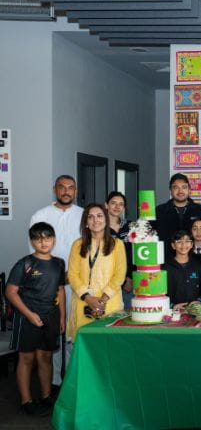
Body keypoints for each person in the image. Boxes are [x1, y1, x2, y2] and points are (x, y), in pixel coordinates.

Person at [5, 223, 65, 415]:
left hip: (51, 317)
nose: (43, 242)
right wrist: (29, 315)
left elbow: (60, 290)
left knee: (46, 357)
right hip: (27, 317)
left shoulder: (59, 263)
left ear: (53, 239)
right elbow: (10, 292)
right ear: (32, 242)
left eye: (47, 237)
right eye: (38, 238)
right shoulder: (25, 264)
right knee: (27, 359)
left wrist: (62, 317)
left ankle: (46, 396)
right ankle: (26, 400)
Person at [29, 175, 83, 386]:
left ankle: (70, 380)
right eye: (62, 187)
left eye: (70, 187)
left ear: (76, 191)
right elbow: (33, 251)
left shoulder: (83, 215)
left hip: (76, 283)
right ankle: (53, 382)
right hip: (48, 285)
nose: (66, 191)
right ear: (55, 189)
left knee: (72, 329)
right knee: (52, 332)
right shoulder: (40, 215)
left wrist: (74, 275)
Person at [66, 204, 126, 340]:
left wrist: (103, 300)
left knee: (109, 347)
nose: (95, 220)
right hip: (83, 304)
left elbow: (120, 275)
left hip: (110, 304)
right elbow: (72, 274)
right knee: (85, 348)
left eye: (99, 216)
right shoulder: (77, 245)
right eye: (90, 217)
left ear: (106, 220)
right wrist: (88, 298)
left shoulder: (117, 244)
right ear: (86, 223)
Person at [155, 173, 201, 259]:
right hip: (166, 260)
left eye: (184, 187)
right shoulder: (159, 211)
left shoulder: (200, 210)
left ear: (189, 190)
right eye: (176, 187)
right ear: (170, 190)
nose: (180, 191)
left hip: (195, 259)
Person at [162, 230, 201, 307]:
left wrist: (199, 301)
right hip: (172, 312)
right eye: (179, 242)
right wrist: (172, 306)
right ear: (173, 245)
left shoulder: (199, 265)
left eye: (187, 241)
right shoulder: (165, 267)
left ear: (191, 244)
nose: (183, 245)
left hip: (195, 311)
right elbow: (161, 293)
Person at [105, 191, 133, 309]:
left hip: (128, 280)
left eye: (121, 204)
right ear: (106, 205)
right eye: (113, 203)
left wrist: (130, 277)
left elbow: (134, 253)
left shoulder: (131, 226)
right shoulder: (100, 227)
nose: (117, 207)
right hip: (107, 279)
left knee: (126, 316)